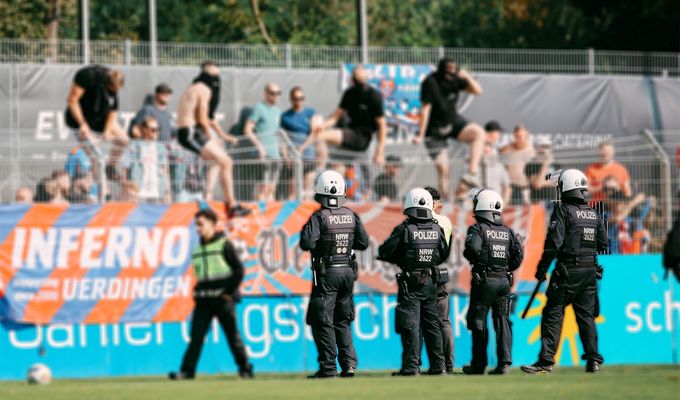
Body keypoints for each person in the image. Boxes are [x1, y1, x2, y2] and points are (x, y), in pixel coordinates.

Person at [521, 169, 607, 374]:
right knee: (586, 317)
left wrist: (542, 268)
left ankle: (546, 361)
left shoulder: (563, 210)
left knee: (552, 313)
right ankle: (593, 360)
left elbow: (554, 243)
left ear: (565, 187)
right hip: (589, 271)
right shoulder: (593, 213)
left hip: (568, 271)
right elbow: (603, 243)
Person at [299, 170, 369, 378]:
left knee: (323, 320)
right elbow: (363, 243)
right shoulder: (351, 215)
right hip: (347, 272)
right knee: (342, 320)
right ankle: (349, 365)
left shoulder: (319, 217)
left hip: (326, 274)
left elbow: (306, 243)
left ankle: (328, 367)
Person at [169, 208, 254, 380]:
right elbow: (201, 276)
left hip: (223, 300)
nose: (198, 228)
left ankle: (245, 368)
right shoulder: (198, 249)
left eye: (201, 224)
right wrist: (197, 291)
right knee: (196, 338)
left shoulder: (224, 244)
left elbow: (238, 270)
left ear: (213, 225)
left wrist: (229, 292)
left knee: (233, 337)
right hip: (204, 301)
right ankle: (187, 371)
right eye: (196, 225)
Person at [378, 188, 449, 376]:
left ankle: (411, 367)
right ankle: (438, 366)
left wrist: (402, 260)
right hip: (431, 283)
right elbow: (444, 253)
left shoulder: (405, 229)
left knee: (410, 325)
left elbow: (385, 250)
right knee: (432, 325)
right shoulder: (437, 228)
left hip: (410, 284)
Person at [462, 189, 524, 375]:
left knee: (478, 321)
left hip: (485, 282)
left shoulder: (477, 229)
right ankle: (504, 363)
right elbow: (518, 255)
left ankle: (479, 365)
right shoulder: (507, 231)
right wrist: (505, 268)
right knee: (503, 320)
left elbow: (472, 249)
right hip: (504, 282)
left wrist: (478, 261)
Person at [176, 61, 249, 216]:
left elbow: (209, 118)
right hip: (190, 132)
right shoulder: (204, 90)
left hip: (188, 131)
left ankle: (208, 196)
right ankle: (232, 205)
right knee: (226, 161)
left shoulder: (193, 88)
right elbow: (202, 119)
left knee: (219, 161)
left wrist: (222, 135)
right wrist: (212, 138)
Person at [413, 58, 485, 197]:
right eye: (448, 72)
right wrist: (420, 135)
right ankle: (446, 200)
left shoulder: (456, 79)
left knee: (478, 133)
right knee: (444, 169)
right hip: (434, 129)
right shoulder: (430, 83)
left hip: (451, 122)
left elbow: (478, 91)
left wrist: (467, 76)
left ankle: (471, 174)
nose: (450, 76)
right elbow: (425, 109)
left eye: (453, 71)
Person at [311, 65, 387, 166]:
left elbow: (382, 125)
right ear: (352, 79)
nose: (360, 82)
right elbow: (335, 117)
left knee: (320, 137)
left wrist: (380, 152)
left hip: (362, 138)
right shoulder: (349, 93)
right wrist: (321, 126)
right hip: (349, 132)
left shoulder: (374, 96)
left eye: (363, 78)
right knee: (338, 167)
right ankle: (331, 176)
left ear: (367, 78)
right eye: (357, 78)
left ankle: (320, 172)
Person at [65, 64, 128, 182]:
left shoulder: (114, 81)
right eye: (111, 89)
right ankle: (101, 192)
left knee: (123, 140)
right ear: (106, 83)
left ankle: (110, 167)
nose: (113, 92)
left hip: (100, 116)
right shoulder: (87, 76)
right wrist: (83, 124)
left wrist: (108, 130)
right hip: (80, 118)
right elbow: (72, 100)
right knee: (96, 156)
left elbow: (113, 109)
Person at [424, 186, 454, 373]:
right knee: (443, 321)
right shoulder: (446, 221)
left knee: (421, 319)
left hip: (424, 274)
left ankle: (418, 365)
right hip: (442, 272)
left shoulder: (421, 220)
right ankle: (448, 365)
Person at [281, 86, 326, 197]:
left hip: (308, 157)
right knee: (292, 190)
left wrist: (302, 148)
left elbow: (313, 133)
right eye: (296, 98)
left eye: (301, 98)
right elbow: (282, 138)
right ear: (291, 99)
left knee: (307, 190)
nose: (299, 101)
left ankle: (306, 213)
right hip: (295, 159)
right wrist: (286, 157)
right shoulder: (285, 116)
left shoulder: (310, 112)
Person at [244, 83, 284, 202]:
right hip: (263, 156)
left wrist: (284, 153)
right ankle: (260, 216)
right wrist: (259, 146)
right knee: (262, 189)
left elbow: (278, 134)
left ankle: (271, 219)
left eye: (278, 93)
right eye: (272, 93)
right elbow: (247, 130)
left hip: (276, 157)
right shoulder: (259, 107)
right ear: (266, 94)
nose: (275, 96)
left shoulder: (278, 111)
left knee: (272, 189)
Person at [121, 116, 172, 203]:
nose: (156, 132)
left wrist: (167, 192)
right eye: (153, 129)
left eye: (158, 129)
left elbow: (165, 171)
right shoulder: (134, 147)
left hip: (157, 192)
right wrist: (126, 188)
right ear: (144, 130)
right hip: (138, 193)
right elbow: (125, 168)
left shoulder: (161, 149)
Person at [499, 125, 535, 205]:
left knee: (525, 204)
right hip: (507, 182)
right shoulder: (510, 146)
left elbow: (522, 148)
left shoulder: (529, 148)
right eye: (517, 136)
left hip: (521, 183)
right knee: (505, 205)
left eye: (521, 136)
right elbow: (500, 152)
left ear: (526, 135)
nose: (519, 138)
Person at [525, 136, 561, 203]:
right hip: (538, 203)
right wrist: (545, 164)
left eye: (546, 147)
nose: (544, 150)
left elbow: (559, 183)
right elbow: (537, 184)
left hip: (554, 202)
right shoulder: (531, 165)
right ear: (537, 149)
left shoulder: (556, 164)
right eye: (542, 147)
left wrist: (543, 182)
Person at [480, 140, 511, 205]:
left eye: (487, 151)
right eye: (484, 151)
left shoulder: (499, 166)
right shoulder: (473, 167)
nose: (486, 154)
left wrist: (504, 203)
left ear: (491, 150)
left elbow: (507, 186)